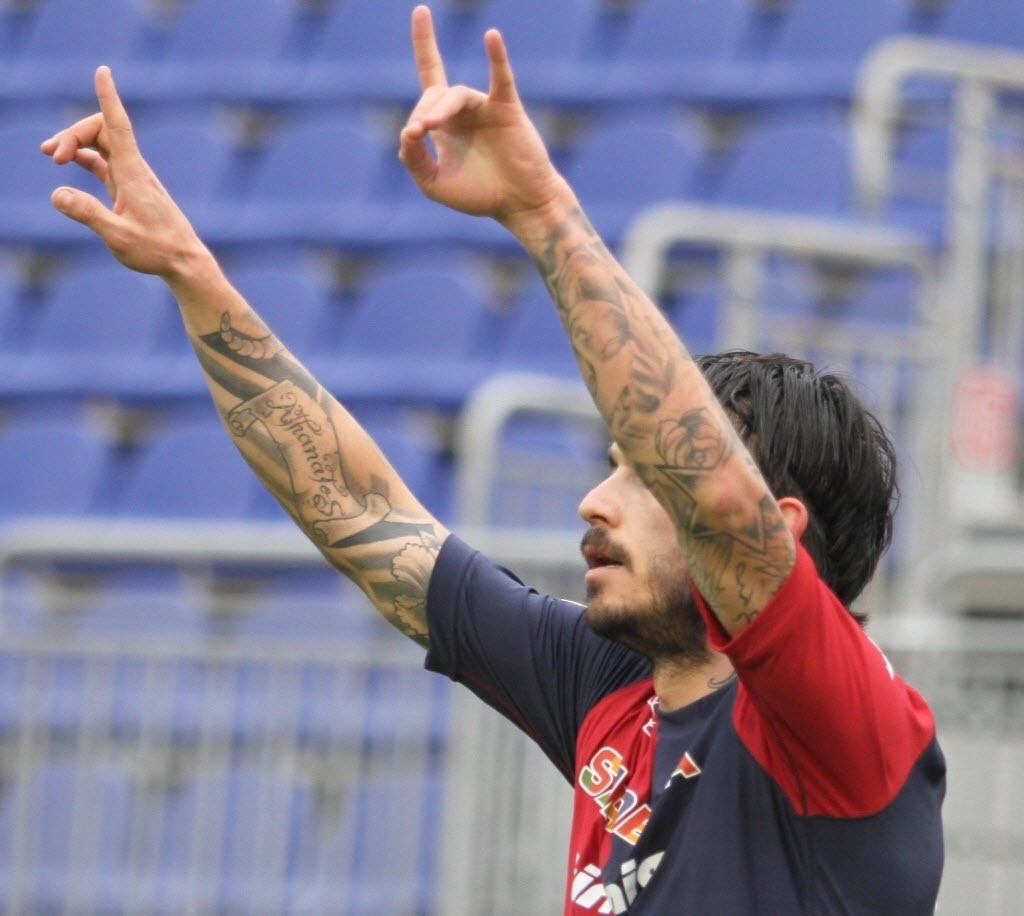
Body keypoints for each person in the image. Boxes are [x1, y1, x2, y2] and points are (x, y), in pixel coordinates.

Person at [42, 5, 945, 913]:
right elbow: (358, 509)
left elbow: (711, 490)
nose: (594, 502)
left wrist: (545, 211)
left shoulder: (843, 729)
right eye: (611, 466)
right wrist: (189, 270)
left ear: (779, 533)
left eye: (643, 475)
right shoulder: (613, 687)